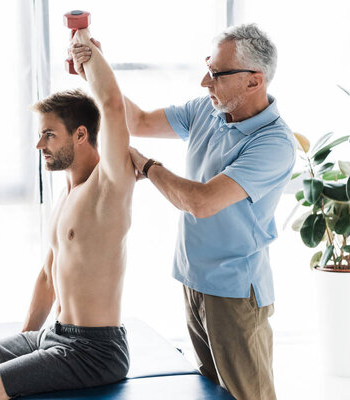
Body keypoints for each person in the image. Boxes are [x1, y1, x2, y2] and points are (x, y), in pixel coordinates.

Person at [71, 23, 295, 400]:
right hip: (193, 279)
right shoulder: (206, 112)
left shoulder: (273, 143)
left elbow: (201, 202)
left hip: (234, 292)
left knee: (248, 396)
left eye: (217, 74)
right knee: (212, 391)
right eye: (208, 67)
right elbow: (137, 121)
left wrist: (147, 167)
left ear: (254, 82)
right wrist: (98, 68)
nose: (204, 82)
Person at [0, 27, 135, 400]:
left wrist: (87, 54)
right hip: (55, 335)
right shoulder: (67, 192)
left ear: (81, 135)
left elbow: (112, 106)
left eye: (49, 134)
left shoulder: (109, 185)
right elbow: (49, 277)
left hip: (94, 350)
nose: (39, 144)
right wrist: (25, 339)